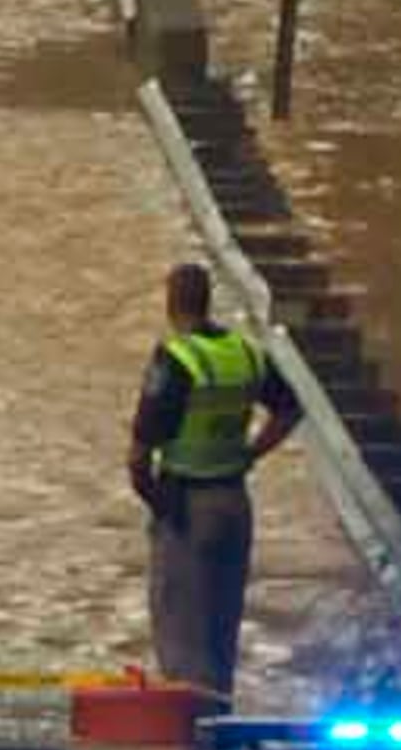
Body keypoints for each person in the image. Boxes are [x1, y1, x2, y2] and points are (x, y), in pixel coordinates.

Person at [129, 257, 301, 707]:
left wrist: (158, 506)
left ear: (171, 303)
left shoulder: (176, 358)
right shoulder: (245, 353)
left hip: (187, 505)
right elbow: (289, 409)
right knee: (222, 630)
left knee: (182, 635)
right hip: (234, 502)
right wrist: (251, 453)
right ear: (208, 301)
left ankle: (190, 740)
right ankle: (222, 724)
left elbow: (139, 454)